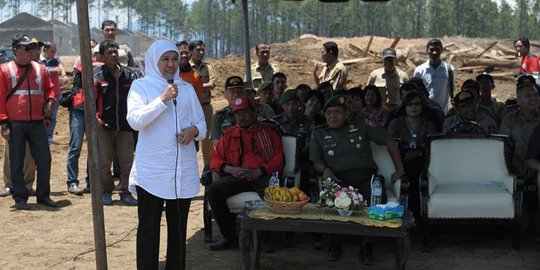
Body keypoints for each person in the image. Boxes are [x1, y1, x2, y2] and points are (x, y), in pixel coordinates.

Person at [127, 39, 206, 270]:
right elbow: (134, 121)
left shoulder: (188, 89)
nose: (171, 64)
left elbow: (202, 124)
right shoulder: (141, 87)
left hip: (182, 171)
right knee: (149, 228)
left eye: (174, 59)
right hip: (152, 171)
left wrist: (194, 131)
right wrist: (162, 100)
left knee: (178, 230)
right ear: (154, 60)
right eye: (165, 59)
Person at [309, 95, 405, 262]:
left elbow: (388, 141)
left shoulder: (361, 125)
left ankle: (367, 244)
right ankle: (335, 242)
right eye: (329, 113)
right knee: (331, 199)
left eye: (337, 112)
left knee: (375, 198)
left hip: (365, 177)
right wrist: (324, 169)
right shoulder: (319, 133)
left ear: (346, 113)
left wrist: (400, 170)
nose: (332, 116)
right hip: (338, 179)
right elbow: (316, 162)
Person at [206, 95, 284, 251]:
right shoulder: (228, 135)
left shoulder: (267, 131)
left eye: (245, 112)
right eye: (237, 114)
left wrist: (260, 171)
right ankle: (231, 238)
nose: (241, 117)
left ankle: (265, 239)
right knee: (213, 191)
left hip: (262, 176)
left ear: (254, 112)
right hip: (238, 177)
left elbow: (279, 159)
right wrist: (231, 170)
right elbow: (215, 160)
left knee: (272, 194)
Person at [0, 34, 57, 210]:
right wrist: (3, 124)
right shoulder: (4, 70)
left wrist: (49, 104)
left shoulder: (40, 69)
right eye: (27, 49)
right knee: (16, 162)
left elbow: (50, 91)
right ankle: (20, 198)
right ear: (16, 51)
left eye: (32, 48)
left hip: (38, 123)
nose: (32, 52)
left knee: (44, 159)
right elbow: (0, 98)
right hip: (15, 124)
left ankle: (43, 196)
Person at [94, 40, 143, 205]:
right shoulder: (97, 75)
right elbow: (89, 100)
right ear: (101, 56)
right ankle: (106, 191)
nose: (114, 55)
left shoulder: (130, 74)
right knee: (104, 163)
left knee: (127, 162)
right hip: (104, 127)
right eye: (109, 53)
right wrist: (96, 118)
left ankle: (125, 192)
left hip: (125, 126)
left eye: (116, 52)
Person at [387, 92, 436, 220]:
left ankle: (418, 218)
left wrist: (418, 152)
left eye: (417, 104)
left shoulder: (428, 124)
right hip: (400, 161)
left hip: (423, 163)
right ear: (404, 106)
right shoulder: (395, 123)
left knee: (417, 168)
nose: (414, 107)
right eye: (410, 104)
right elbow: (390, 144)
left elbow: (432, 147)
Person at [210, 76, 275, 145]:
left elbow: (272, 134)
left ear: (244, 93)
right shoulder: (219, 116)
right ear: (225, 94)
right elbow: (217, 144)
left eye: (240, 91)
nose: (236, 95)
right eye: (232, 92)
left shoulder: (262, 110)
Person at [499, 82, 540, 177]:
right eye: (528, 96)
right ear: (518, 100)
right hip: (515, 173)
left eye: (536, 95)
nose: (533, 99)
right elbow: (502, 146)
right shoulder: (509, 120)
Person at [190, 40, 216, 165]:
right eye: (198, 50)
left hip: (205, 107)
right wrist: (200, 85)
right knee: (189, 138)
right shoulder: (185, 67)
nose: (201, 52)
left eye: (202, 50)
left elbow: (212, 85)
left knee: (207, 139)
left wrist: (194, 85)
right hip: (190, 108)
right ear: (191, 51)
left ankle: (208, 169)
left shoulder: (208, 67)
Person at [413, 39, 456, 114]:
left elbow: (451, 91)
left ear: (441, 50)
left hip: (443, 113)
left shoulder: (449, 70)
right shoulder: (419, 70)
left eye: (437, 49)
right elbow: (416, 93)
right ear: (427, 51)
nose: (434, 52)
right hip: (425, 114)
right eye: (432, 49)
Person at [41, 41, 67, 144]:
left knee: (52, 115)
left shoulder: (56, 60)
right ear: (45, 50)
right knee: (41, 115)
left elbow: (61, 67)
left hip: (55, 92)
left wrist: (63, 74)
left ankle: (49, 136)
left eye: (54, 51)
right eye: (51, 51)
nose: (53, 53)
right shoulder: (39, 61)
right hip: (42, 93)